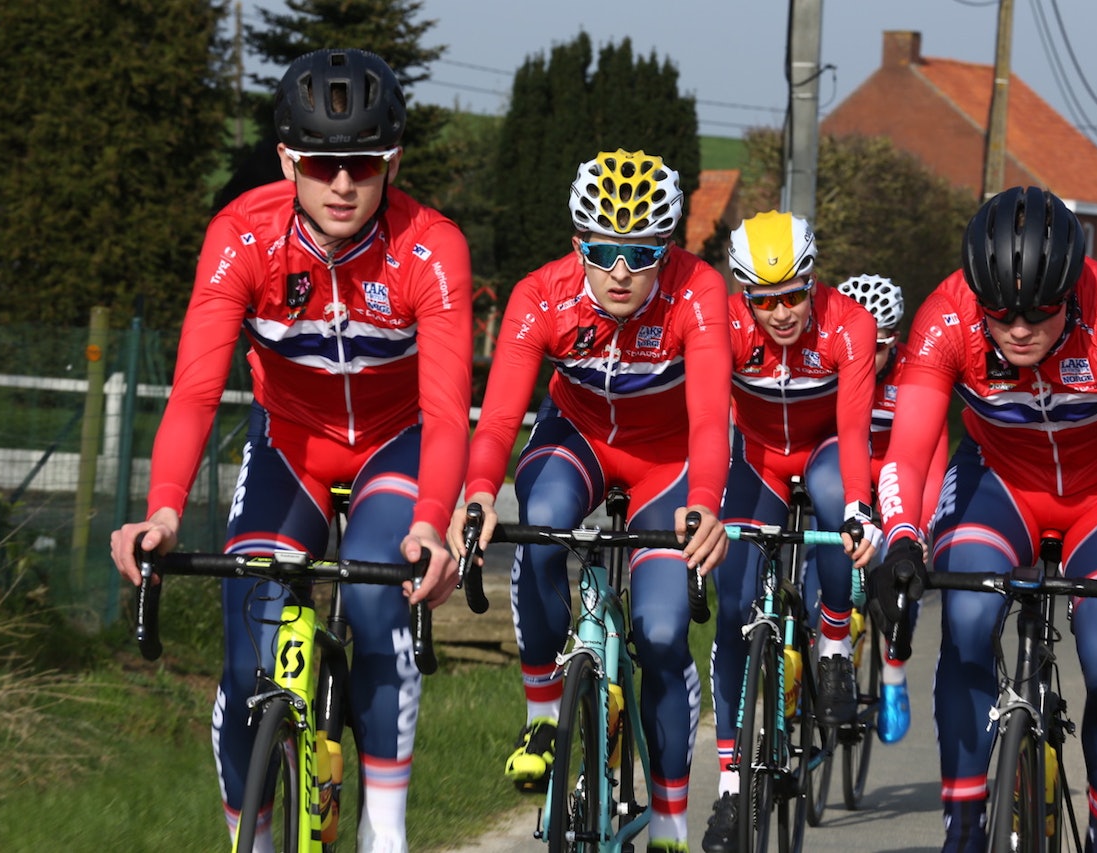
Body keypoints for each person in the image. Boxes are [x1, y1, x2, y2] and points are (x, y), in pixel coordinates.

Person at [109, 49, 472, 852]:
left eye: (363, 164)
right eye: (320, 162)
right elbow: (196, 392)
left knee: (379, 603)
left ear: (393, 163)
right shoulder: (241, 237)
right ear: (287, 160)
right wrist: (163, 511)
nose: (342, 184)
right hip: (290, 450)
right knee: (247, 657)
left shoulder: (430, 246)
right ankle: (255, 837)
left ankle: (385, 831)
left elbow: (448, 411)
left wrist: (433, 523)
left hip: (394, 449)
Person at [869, 186, 1097, 853]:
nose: (1018, 330)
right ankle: (962, 827)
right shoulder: (945, 315)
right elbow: (904, 452)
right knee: (963, 625)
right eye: (1000, 314)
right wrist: (902, 539)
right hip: (1000, 486)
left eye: (1038, 312)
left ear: (1071, 293)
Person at [446, 149, 731, 853]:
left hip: (668, 460)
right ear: (579, 244)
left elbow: (709, 418)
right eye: (603, 252)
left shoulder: (699, 292)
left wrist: (703, 501)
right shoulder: (541, 294)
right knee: (541, 522)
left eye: (641, 253)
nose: (622, 272)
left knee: (663, 634)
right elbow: (501, 418)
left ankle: (668, 816)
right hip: (575, 437)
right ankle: (544, 710)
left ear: (667, 247)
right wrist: (478, 492)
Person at [701, 211, 879, 852]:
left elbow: (856, 431)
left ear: (814, 279)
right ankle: (729, 786)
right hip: (758, 459)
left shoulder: (849, 324)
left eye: (794, 295)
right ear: (743, 294)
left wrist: (861, 508)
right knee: (730, 610)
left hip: (825, 448)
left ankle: (832, 646)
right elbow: (707, 420)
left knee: (836, 509)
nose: (780, 313)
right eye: (764, 300)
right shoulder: (720, 322)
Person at [831, 274, 951, 744]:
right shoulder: (834, 364)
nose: (866, 357)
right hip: (852, 477)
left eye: (877, 347)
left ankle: (895, 673)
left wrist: (916, 529)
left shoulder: (915, 375)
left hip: (903, 479)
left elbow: (933, 456)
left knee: (902, 574)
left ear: (894, 341)